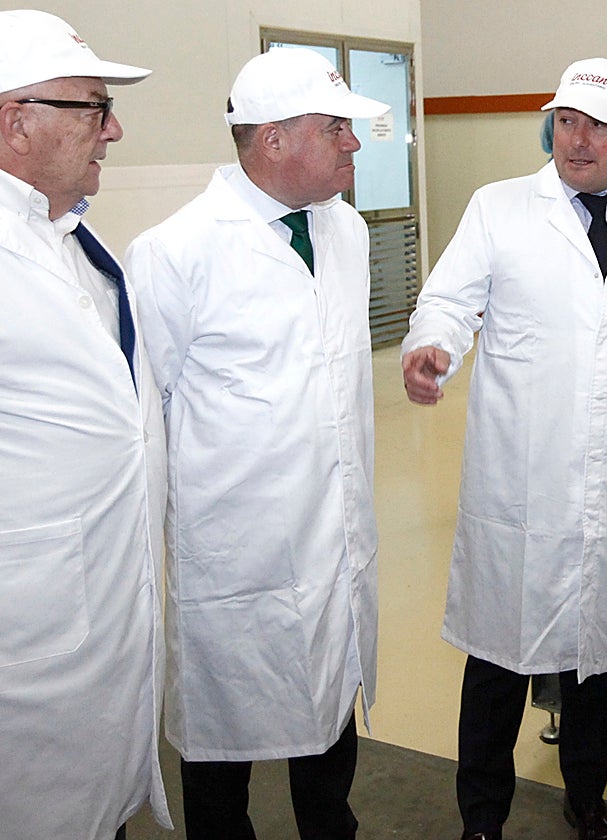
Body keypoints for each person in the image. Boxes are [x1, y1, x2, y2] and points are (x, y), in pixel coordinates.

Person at [402, 58, 607, 840]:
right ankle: (481, 818)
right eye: (566, 121)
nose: (577, 140)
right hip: (521, 481)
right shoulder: (500, 207)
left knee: (597, 661)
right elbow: (448, 301)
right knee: (497, 661)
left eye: (599, 126)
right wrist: (433, 346)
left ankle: (586, 797)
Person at [124, 47, 388, 839]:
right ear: (273, 139)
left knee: (331, 724)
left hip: (335, 537)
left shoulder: (345, 231)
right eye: (336, 128)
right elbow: (145, 423)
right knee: (221, 749)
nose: (354, 143)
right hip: (235, 561)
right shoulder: (174, 252)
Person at [0, 10, 169, 840]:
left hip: (100, 611)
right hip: (29, 630)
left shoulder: (67, 234)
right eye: (95, 109)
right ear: (15, 122)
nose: (115, 130)